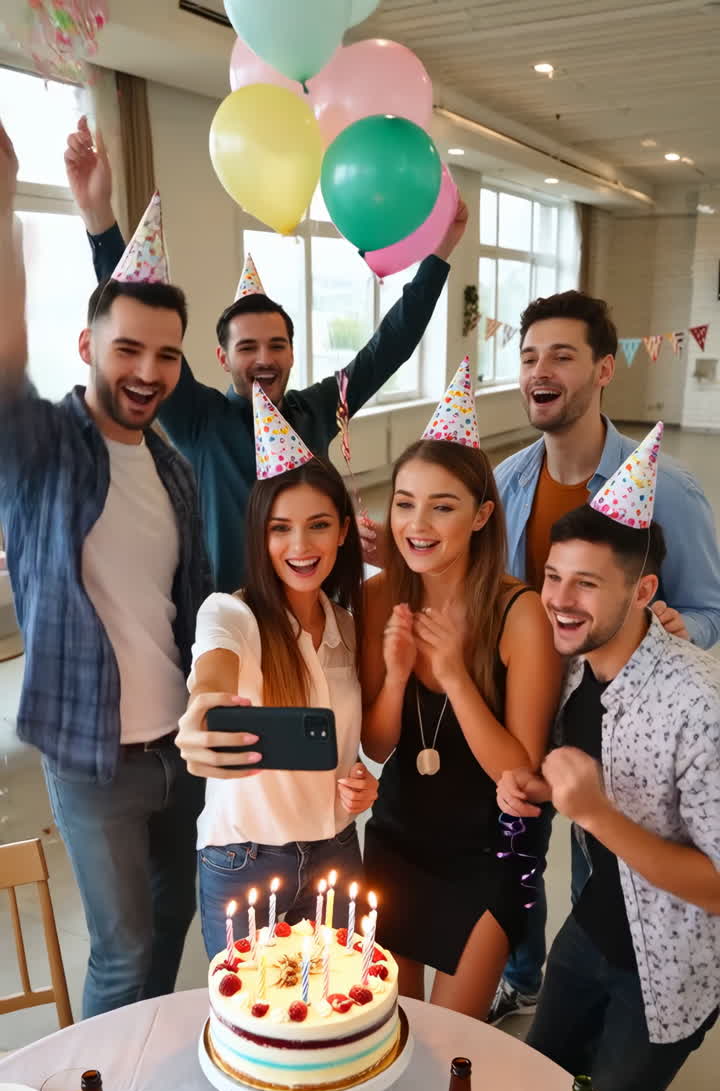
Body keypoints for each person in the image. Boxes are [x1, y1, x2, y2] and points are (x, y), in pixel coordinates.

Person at [64, 116, 469, 589]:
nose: (264, 359)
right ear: (223, 359)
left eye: (276, 345)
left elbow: (390, 345)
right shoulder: (200, 419)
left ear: (293, 354)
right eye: (247, 347)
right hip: (231, 614)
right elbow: (135, 311)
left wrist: (439, 253)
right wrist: (99, 220)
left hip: (317, 605)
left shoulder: (318, 408)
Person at [0, 123, 211, 1019]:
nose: (149, 371)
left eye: (166, 355)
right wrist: (5, 203)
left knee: (171, 932)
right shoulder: (45, 447)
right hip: (92, 761)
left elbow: (184, 612)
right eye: (127, 349)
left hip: (183, 753)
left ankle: (142, 1082)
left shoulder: (172, 468)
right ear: (87, 348)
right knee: (121, 955)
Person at [497, 424, 720, 1091]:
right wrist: (530, 789)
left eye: (587, 583)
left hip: (673, 961)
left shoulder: (697, 703)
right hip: (593, 928)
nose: (560, 600)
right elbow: (565, 778)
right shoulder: (573, 669)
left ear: (644, 592)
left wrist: (594, 814)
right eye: (555, 576)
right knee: (551, 1078)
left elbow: (718, 886)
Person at [490, 289, 720, 1024]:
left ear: (602, 370)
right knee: (516, 843)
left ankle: (622, 991)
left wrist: (677, 627)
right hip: (528, 708)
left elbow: (711, 608)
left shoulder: (669, 491)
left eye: (562, 354)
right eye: (529, 357)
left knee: (602, 866)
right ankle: (523, 973)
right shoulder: (510, 481)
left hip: (612, 722)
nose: (540, 370)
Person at [360, 359, 562, 1019]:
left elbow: (521, 771)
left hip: (485, 853)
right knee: (389, 1026)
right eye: (405, 504)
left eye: (442, 506)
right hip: (397, 839)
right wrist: (396, 675)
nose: (419, 524)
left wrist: (452, 675)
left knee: (450, 1042)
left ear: (480, 516)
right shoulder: (379, 597)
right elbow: (379, 744)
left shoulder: (519, 613)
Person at [175, 384, 377, 955]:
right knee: (253, 1023)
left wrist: (361, 783)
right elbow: (211, 680)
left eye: (318, 525)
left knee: (336, 1016)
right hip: (244, 862)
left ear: (342, 530)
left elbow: (347, 752)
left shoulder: (348, 627)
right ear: (260, 536)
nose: (300, 545)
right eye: (280, 528)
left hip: (337, 852)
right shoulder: (231, 613)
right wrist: (199, 717)